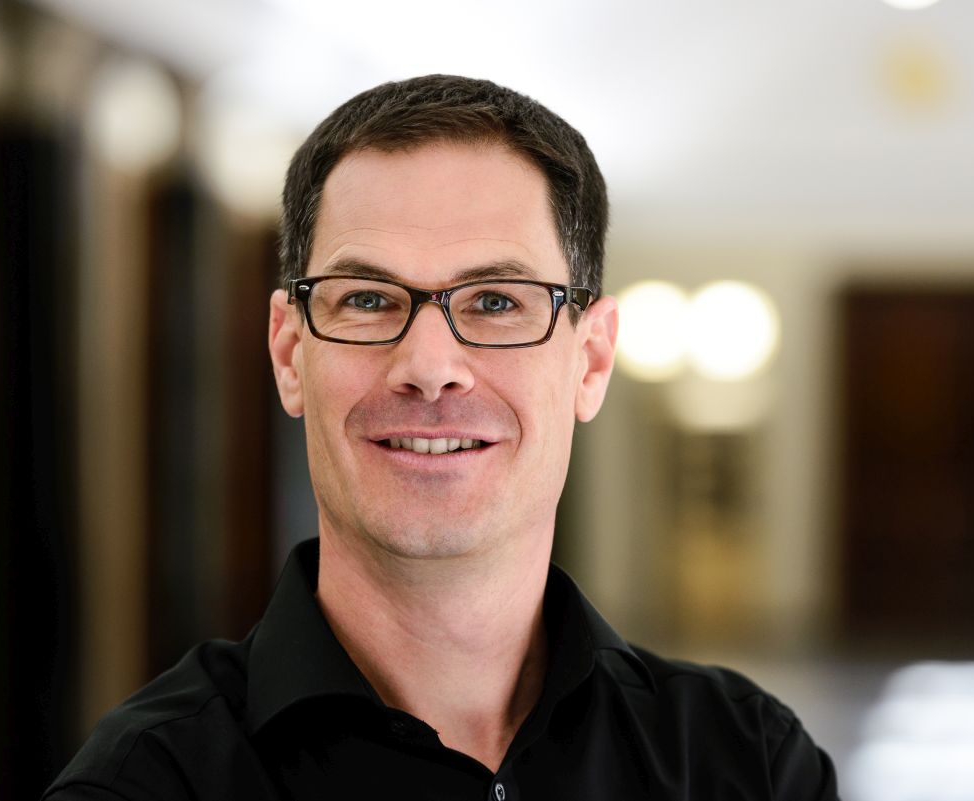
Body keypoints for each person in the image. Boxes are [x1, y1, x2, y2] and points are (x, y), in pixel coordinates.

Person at [44, 74, 838, 800]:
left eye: (496, 301)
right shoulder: (145, 785)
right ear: (289, 353)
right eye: (366, 299)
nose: (428, 367)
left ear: (591, 361)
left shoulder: (750, 764)